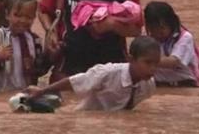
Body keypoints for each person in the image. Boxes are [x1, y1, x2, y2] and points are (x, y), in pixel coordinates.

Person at [25, 36, 160, 111]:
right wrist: (42, 91)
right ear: (130, 59)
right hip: (87, 120)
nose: (152, 69)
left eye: (156, 63)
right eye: (147, 63)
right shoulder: (107, 73)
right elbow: (75, 82)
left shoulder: (149, 86)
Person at [0, 0, 52, 92]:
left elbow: (39, 72)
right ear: (7, 15)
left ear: (34, 18)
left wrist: (50, 56)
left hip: (25, 94)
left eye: (28, 17)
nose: (23, 20)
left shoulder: (35, 41)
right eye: (17, 15)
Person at [144, 1, 199, 87]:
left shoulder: (185, 37)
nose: (158, 32)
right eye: (153, 28)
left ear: (171, 23)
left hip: (185, 84)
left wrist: (145, 61)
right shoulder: (145, 37)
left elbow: (173, 61)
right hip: (158, 85)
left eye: (161, 27)